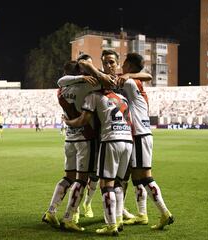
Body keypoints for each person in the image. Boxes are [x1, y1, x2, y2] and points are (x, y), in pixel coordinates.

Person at [78, 50, 152, 222]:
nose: (109, 65)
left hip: (125, 134)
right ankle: (85, 205)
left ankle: (118, 211)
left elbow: (147, 75)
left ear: (118, 64)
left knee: (122, 177)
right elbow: (81, 63)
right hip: (103, 133)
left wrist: (128, 75)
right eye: (105, 62)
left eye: (112, 62)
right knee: (96, 175)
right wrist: (96, 71)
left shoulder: (122, 78)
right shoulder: (100, 78)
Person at [42, 56, 102, 232]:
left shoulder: (60, 90)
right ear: (80, 72)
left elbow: (61, 80)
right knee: (81, 179)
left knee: (68, 177)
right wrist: (87, 73)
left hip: (69, 138)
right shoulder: (86, 86)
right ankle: (69, 217)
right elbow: (105, 82)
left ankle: (51, 211)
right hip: (85, 138)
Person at [64, 87, 133, 236]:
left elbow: (83, 120)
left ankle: (111, 225)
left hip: (110, 140)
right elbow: (130, 121)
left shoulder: (94, 95)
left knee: (105, 184)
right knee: (119, 183)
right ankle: (119, 219)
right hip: (128, 140)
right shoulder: (123, 98)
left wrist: (68, 122)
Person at [119, 52, 174, 230]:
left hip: (140, 135)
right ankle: (142, 214)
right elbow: (146, 75)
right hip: (140, 135)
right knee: (137, 179)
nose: (121, 65)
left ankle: (165, 213)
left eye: (123, 63)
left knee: (146, 177)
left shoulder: (129, 82)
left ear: (128, 65)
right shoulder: (135, 81)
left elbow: (113, 80)